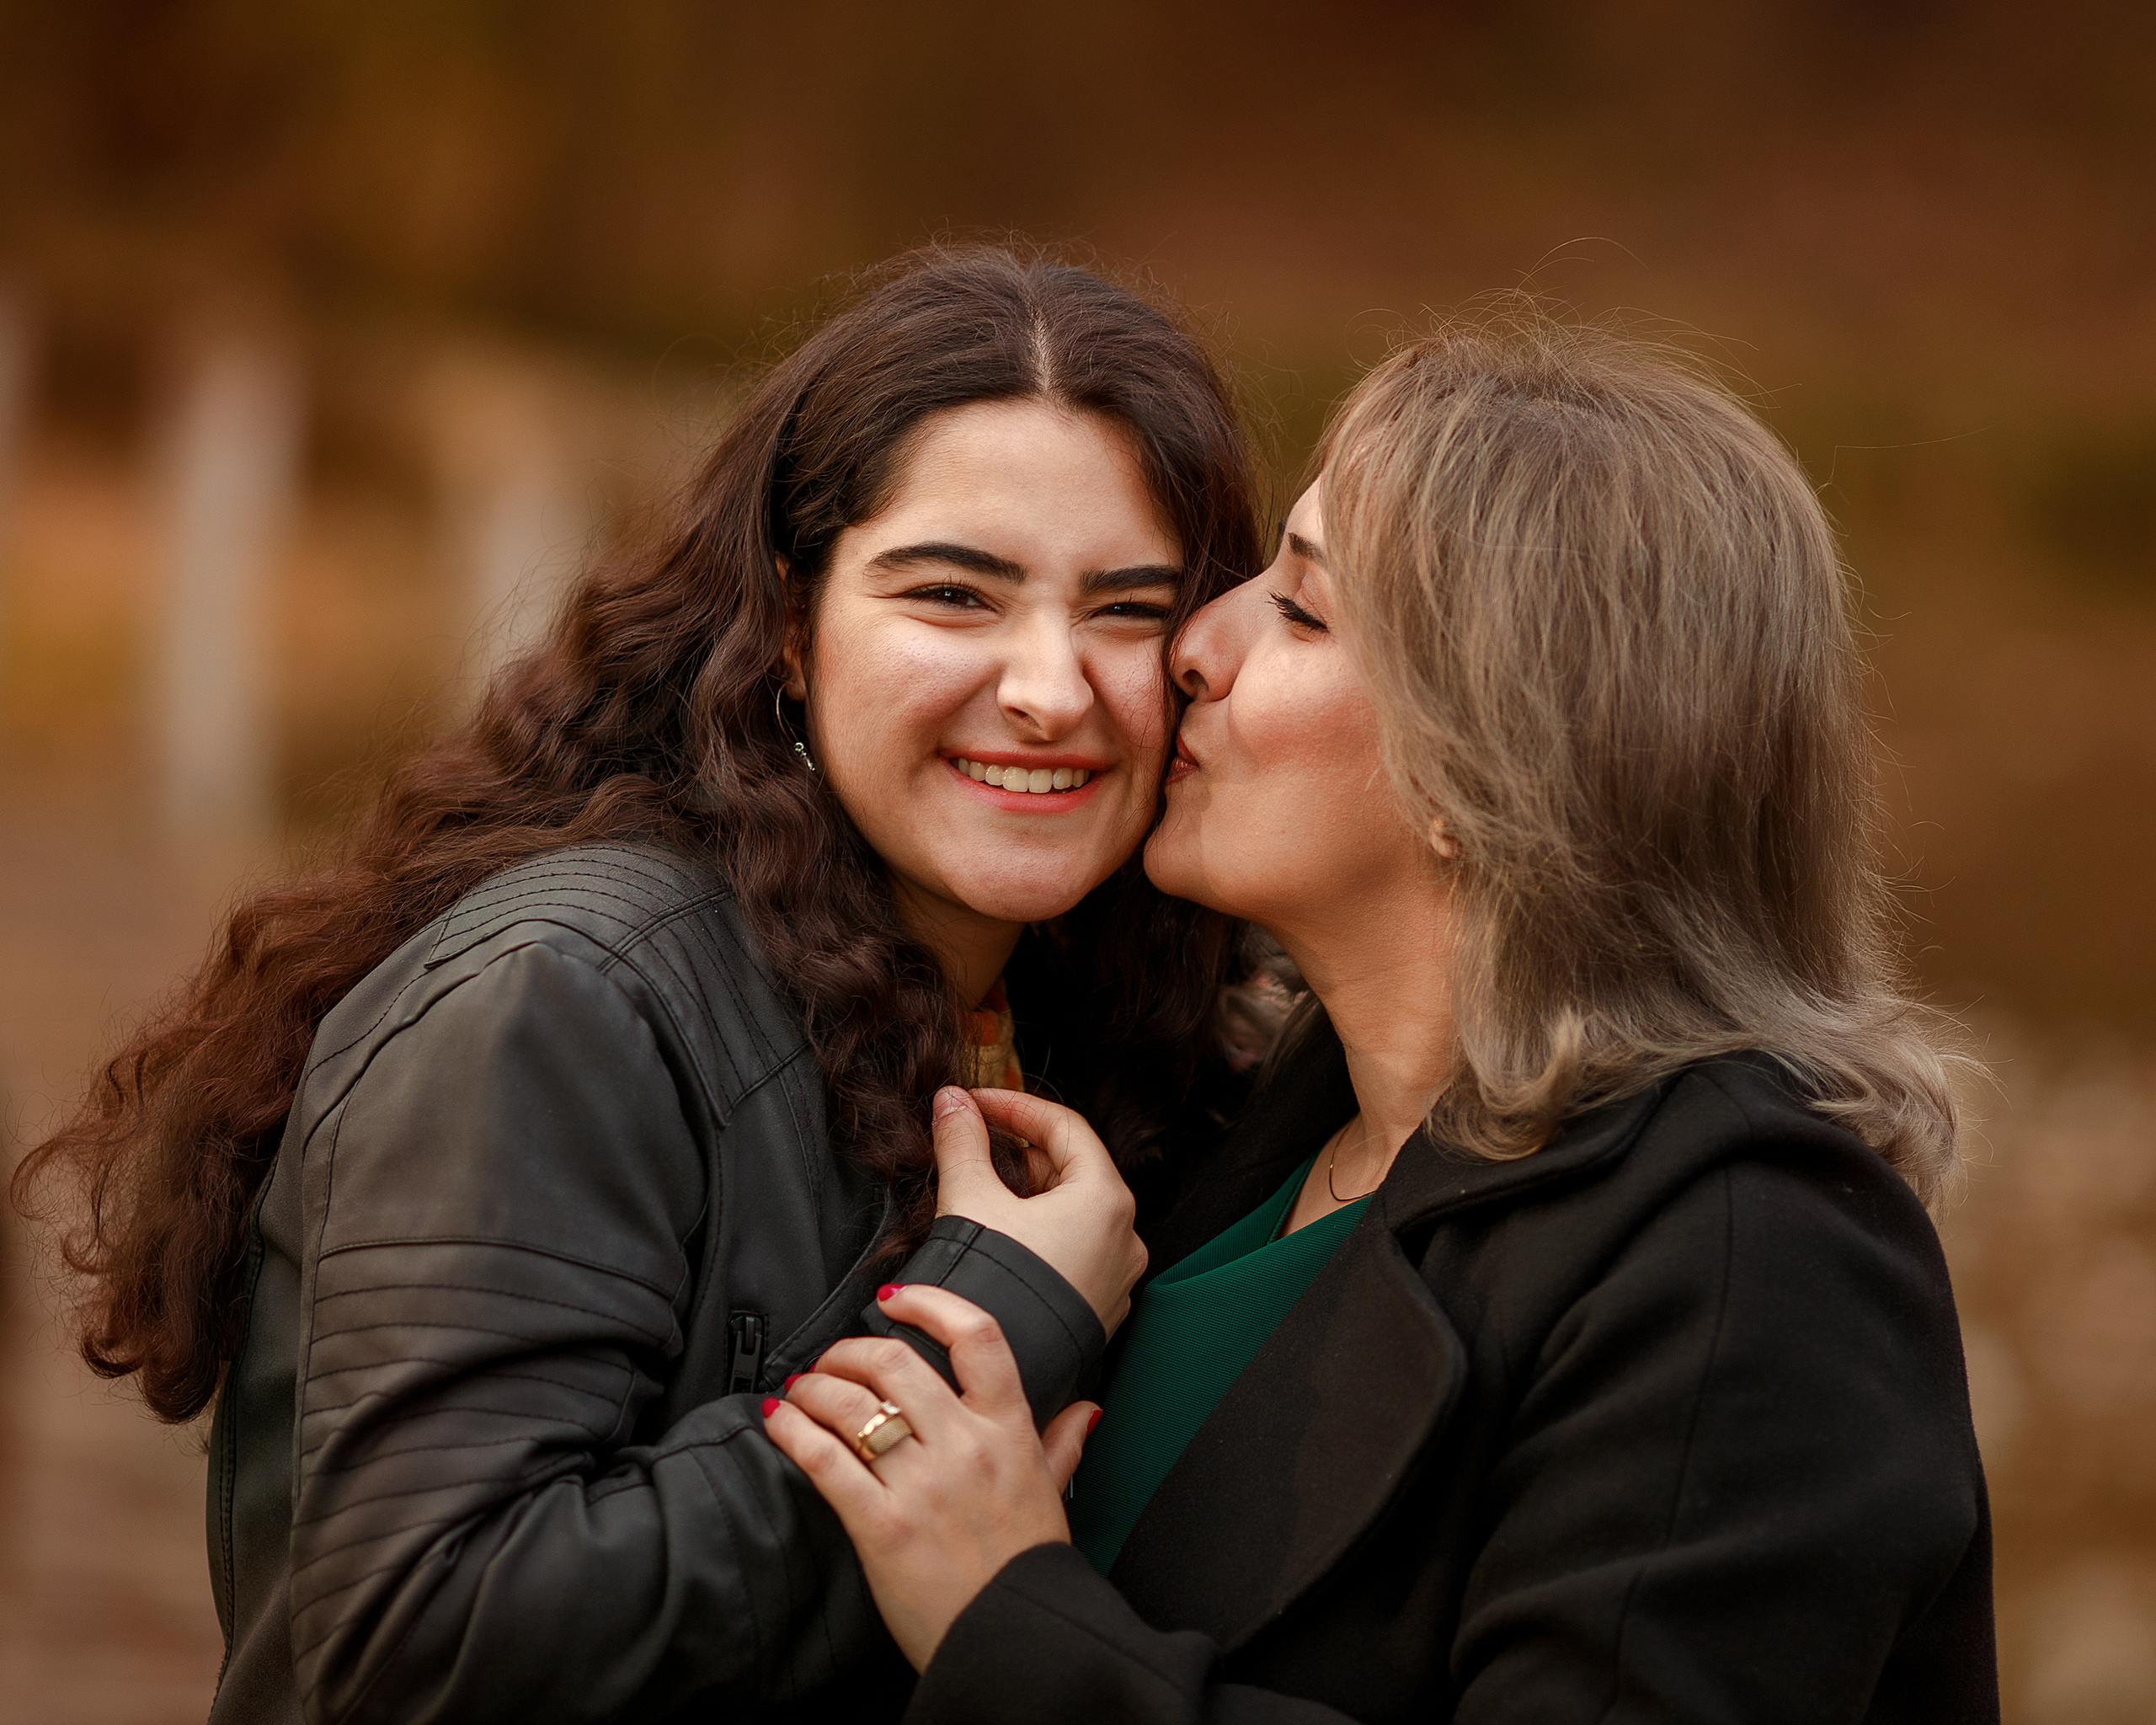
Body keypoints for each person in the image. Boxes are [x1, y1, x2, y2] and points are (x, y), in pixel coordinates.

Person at [13, 247, 1266, 1722]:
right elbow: (419, 1644)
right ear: (790, 627)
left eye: (1128, 609)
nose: (1052, 689)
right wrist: (989, 1318)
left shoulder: (1106, 1017)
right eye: (953, 595)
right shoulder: (566, 1003)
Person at [766, 308, 2001, 1723]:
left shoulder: (1747, 1254)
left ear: (1488, 764)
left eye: (1299, 610)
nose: (1194, 643)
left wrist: (1009, 1622)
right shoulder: (1264, 1119)